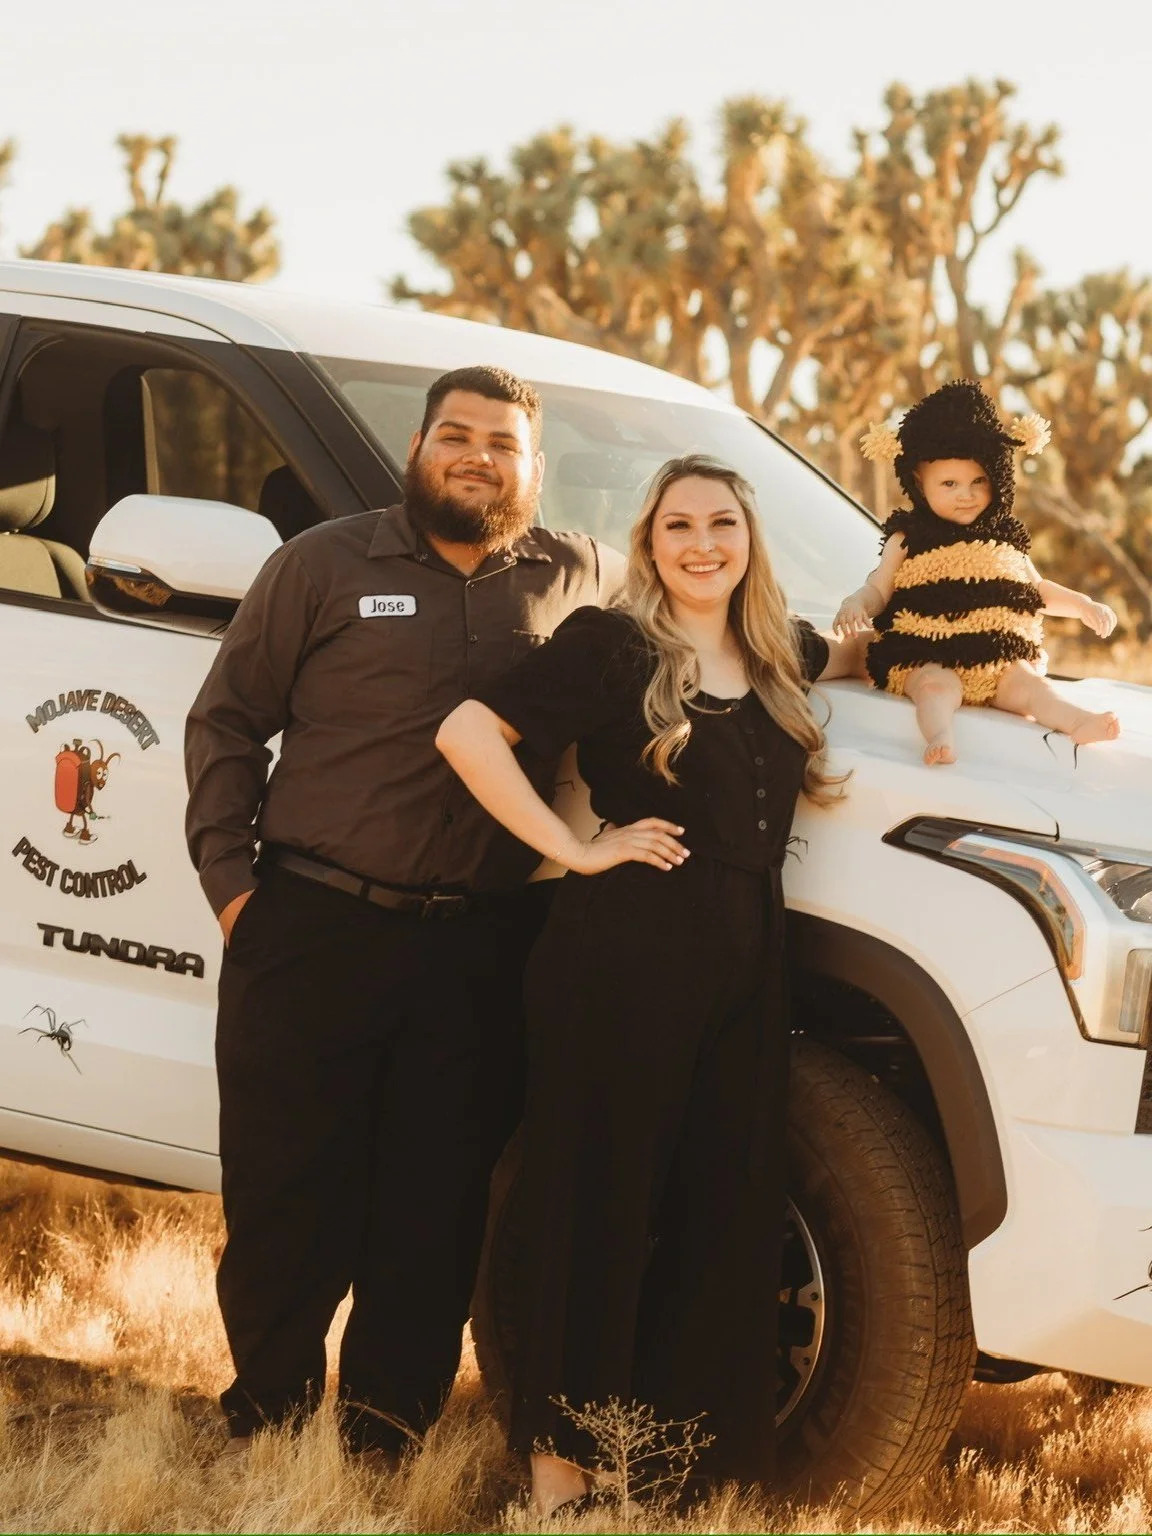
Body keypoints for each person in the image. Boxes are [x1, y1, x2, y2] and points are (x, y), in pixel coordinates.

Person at [184, 365, 622, 1461]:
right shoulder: (322, 564)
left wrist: (892, 631)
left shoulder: (575, 577)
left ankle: (385, 1442)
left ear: (534, 466)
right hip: (312, 925)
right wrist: (235, 893)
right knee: (288, 1195)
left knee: (436, 1207)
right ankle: (268, 1420)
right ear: (419, 449)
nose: (478, 457)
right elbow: (226, 722)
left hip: (479, 948)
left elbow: (712, 594)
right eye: (456, 436)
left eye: (502, 443)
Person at [436, 453, 857, 1514]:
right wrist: (575, 850)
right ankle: (557, 1476)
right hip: (624, 955)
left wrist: (963, 586)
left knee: (724, 1205)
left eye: (723, 524)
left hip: (749, 961)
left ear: (751, 540)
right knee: (598, 1203)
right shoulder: (613, 645)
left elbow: (869, 637)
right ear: (650, 542)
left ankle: (673, 1469)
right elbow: (466, 733)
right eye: (680, 526)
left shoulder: (779, 652)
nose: (703, 544)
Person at [835, 379, 1119, 766]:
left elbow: (1036, 590)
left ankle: (1078, 721)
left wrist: (1083, 605)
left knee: (1033, 686)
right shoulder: (908, 538)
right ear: (918, 482)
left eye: (978, 481)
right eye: (949, 484)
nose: (965, 494)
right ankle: (940, 734)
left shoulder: (1005, 539)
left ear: (997, 477)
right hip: (928, 654)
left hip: (996, 661)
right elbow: (878, 589)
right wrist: (856, 603)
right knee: (933, 688)